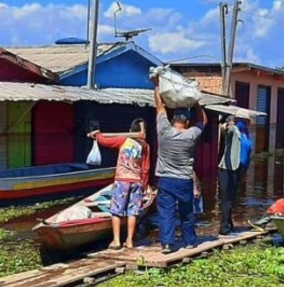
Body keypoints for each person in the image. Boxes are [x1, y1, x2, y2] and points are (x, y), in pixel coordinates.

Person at [152, 76, 207, 253]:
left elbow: (159, 107)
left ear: (173, 118)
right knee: (186, 212)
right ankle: (189, 241)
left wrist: (156, 85)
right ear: (187, 121)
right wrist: (197, 102)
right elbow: (204, 121)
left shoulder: (164, 131)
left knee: (166, 212)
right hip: (183, 180)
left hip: (165, 179)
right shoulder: (191, 135)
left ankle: (167, 244)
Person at [88, 118, 149, 250]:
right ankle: (129, 241)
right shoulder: (145, 146)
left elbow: (104, 141)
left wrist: (97, 134)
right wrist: (144, 186)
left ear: (130, 130)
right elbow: (145, 168)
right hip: (137, 181)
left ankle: (116, 241)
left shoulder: (123, 140)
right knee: (133, 212)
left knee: (117, 210)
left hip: (122, 180)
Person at [217, 114, 246, 236]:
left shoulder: (244, 134)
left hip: (237, 169)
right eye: (244, 120)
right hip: (227, 169)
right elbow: (225, 131)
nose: (246, 122)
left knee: (231, 198)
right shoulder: (233, 130)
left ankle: (229, 224)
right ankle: (224, 229)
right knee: (226, 199)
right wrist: (226, 126)